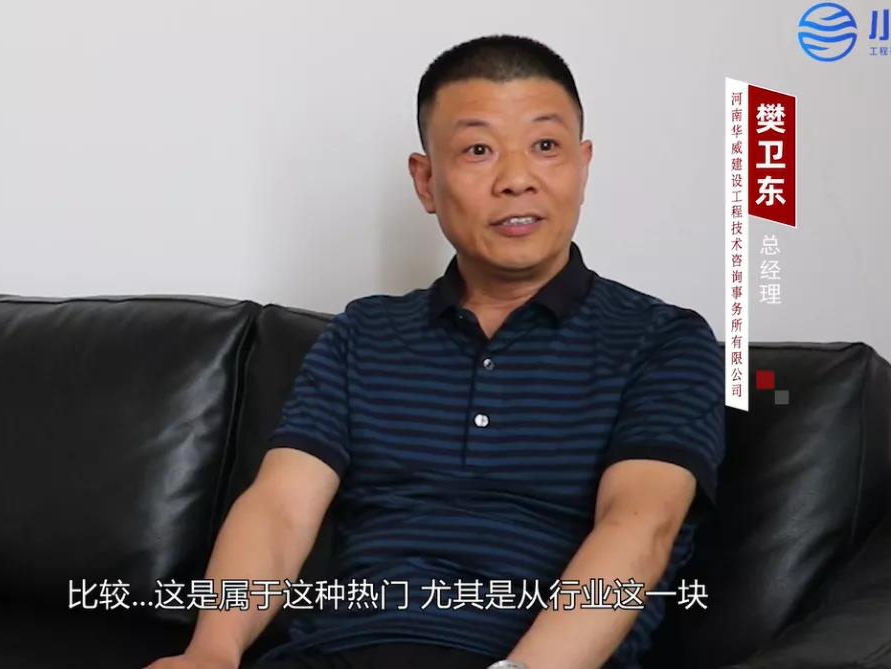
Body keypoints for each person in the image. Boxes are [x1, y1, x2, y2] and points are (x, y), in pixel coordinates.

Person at [146, 34, 724, 669]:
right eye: (478, 150)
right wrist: (212, 651)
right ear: (425, 181)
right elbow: (280, 506)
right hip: (339, 651)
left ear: (583, 166)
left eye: (545, 146)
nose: (517, 180)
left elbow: (640, 526)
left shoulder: (662, 341)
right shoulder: (364, 333)